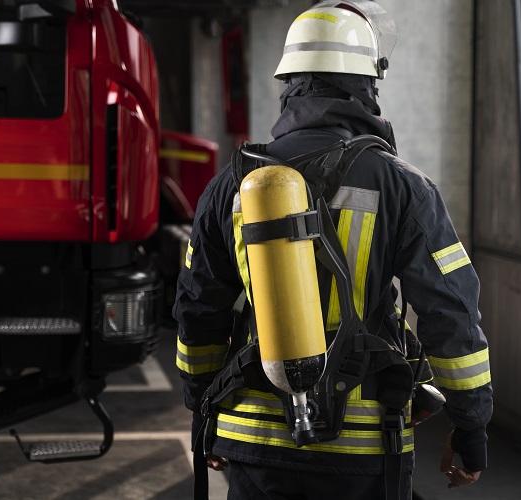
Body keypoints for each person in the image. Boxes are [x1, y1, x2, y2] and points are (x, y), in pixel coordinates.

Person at [174, 2, 492, 498]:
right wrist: (471, 429)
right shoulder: (404, 186)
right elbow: (450, 311)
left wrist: (203, 412)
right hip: (363, 445)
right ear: (366, 87)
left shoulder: (232, 185)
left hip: (253, 437)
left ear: (290, 86)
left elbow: (198, 313)